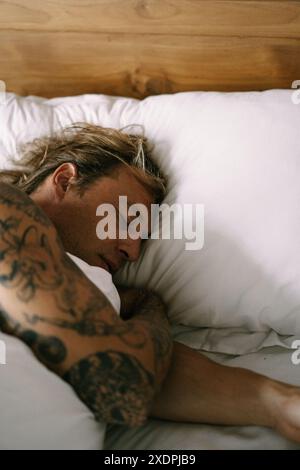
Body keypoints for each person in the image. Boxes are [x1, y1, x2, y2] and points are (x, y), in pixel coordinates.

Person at [0, 123, 300, 444]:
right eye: (128, 219)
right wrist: (146, 304)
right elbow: (124, 385)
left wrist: (279, 403)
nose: (132, 251)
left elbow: (144, 365)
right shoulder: (8, 210)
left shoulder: (98, 293)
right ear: (65, 180)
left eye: (142, 238)